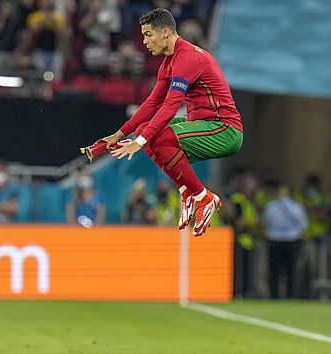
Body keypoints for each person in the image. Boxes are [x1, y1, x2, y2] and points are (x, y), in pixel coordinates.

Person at [101, 8, 243, 237]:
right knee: (143, 128)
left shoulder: (188, 57)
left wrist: (140, 142)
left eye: (148, 35)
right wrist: (120, 134)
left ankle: (203, 197)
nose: (144, 42)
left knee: (156, 135)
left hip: (224, 129)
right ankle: (187, 190)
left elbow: (169, 106)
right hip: (201, 123)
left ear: (166, 33)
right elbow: (151, 105)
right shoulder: (168, 63)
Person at [262, 183, 309, 299]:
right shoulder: (296, 207)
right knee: (291, 271)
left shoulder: (271, 206)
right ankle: (291, 296)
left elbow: (266, 222)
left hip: (275, 241)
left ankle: (274, 296)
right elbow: (304, 224)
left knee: (275, 272)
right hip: (292, 241)